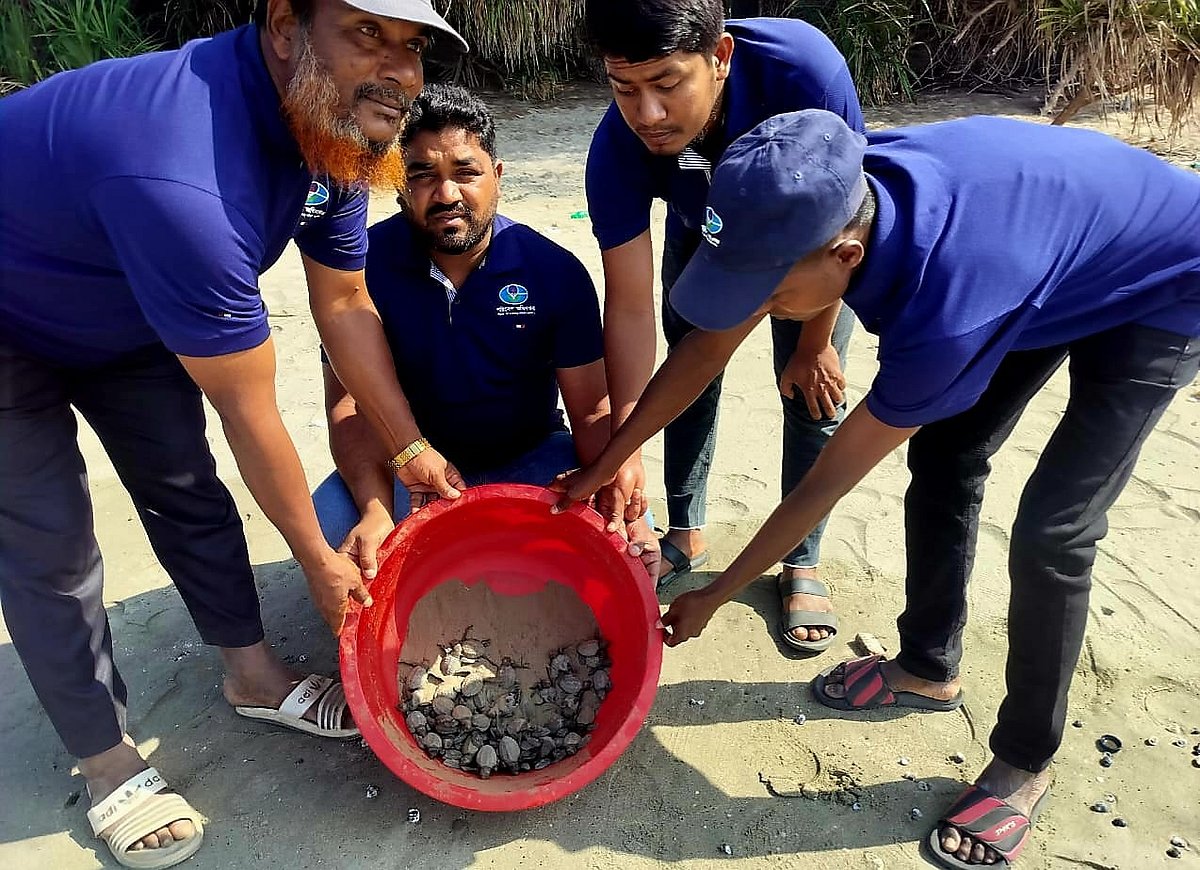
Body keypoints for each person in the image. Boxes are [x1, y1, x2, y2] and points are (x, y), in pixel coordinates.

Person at [554, 109, 1200, 867]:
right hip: (1047, 252)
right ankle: (928, 667)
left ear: (847, 255)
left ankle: (1025, 761)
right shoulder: (828, 183)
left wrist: (719, 592)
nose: (756, 308)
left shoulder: (945, 313)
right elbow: (707, 347)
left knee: (1054, 530)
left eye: (766, 292)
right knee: (947, 455)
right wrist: (607, 461)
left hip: (1165, 278)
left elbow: (824, 483)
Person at [0, 1, 470, 866]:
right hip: (11, 308)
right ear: (286, 23)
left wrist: (408, 448)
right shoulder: (185, 176)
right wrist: (316, 559)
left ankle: (252, 676)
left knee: (184, 485)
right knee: (48, 544)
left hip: (125, 296)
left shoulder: (337, 130)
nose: (399, 71)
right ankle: (106, 761)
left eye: (412, 46)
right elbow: (248, 409)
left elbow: (344, 302)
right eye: (367, 33)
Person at [583, 0, 863, 653]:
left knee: (811, 391)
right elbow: (628, 305)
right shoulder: (616, 149)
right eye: (624, 89)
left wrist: (816, 341)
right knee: (687, 371)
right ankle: (686, 530)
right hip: (702, 236)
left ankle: (800, 558)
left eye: (666, 84)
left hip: (810, 247)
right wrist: (624, 449)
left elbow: (846, 215)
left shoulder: (803, 70)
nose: (648, 114)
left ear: (720, 57)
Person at [312, 84, 658, 578]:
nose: (446, 194)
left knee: (627, 539)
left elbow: (591, 411)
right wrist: (375, 507)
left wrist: (619, 494)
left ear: (497, 175)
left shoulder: (554, 271)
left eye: (465, 173)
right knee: (332, 525)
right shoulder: (358, 272)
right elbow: (347, 407)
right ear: (399, 184)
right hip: (409, 461)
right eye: (423, 175)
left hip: (532, 457)